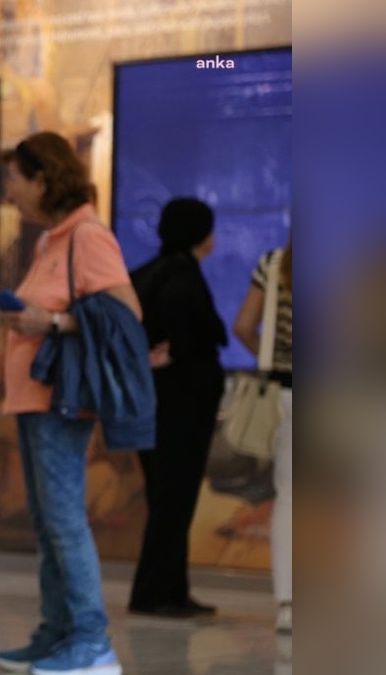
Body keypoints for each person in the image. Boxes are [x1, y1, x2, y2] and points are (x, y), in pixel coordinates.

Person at [0, 131, 142, 675]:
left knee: (63, 520)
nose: (9, 190)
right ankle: (56, 631)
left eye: (14, 178)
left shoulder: (88, 236)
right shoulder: (49, 240)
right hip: (33, 398)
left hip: (60, 399)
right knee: (46, 521)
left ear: (42, 178)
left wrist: (51, 321)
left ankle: (92, 641)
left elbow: (127, 315)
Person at [126, 197, 227, 618]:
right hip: (181, 410)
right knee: (174, 499)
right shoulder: (181, 278)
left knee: (166, 497)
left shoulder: (147, 273)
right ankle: (155, 594)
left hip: (153, 405)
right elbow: (197, 336)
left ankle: (172, 589)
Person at [233, 237, 292, 634]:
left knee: (289, 498)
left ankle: (288, 603)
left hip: (286, 393)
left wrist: (270, 357)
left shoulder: (273, 264)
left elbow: (242, 326)